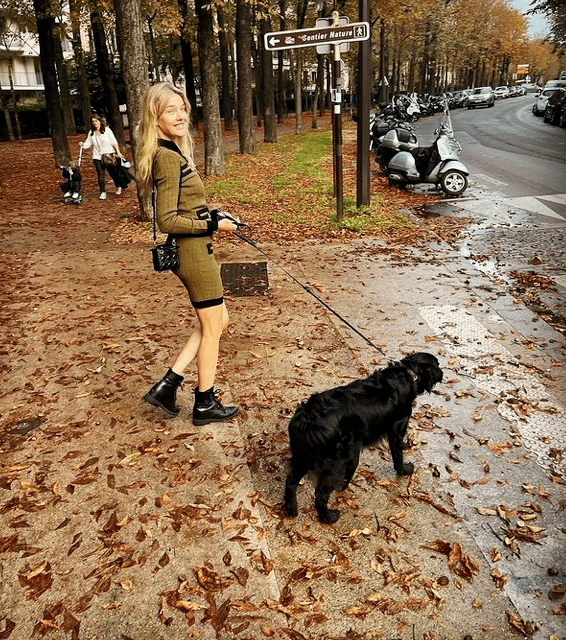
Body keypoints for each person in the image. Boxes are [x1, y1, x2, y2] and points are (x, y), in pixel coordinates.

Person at [136, 81, 239, 426]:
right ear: (155, 118)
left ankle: (168, 385)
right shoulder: (166, 157)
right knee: (213, 328)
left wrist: (213, 215)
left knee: (219, 321)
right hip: (192, 254)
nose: (180, 115)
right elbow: (167, 219)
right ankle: (205, 402)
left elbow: (187, 207)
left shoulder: (174, 152)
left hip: (197, 248)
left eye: (182, 108)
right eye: (170, 110)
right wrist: (211, 226)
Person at [81, 115, 124, 200]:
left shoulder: (107, 130)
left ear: (100, 121)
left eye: (96, 121)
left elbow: (113, 141)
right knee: (100, 174)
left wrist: (118, 152)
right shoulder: (91, 133)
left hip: (108, 155)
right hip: (97, 156)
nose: (95, 123)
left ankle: (118, 186)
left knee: (112, 173)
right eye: (93, 121)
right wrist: (83, 145)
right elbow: (88, 144)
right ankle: (103, 192)